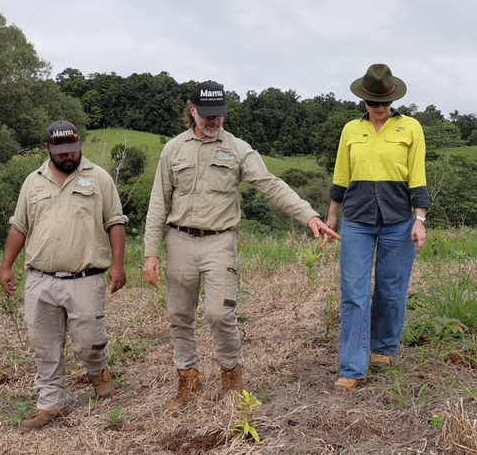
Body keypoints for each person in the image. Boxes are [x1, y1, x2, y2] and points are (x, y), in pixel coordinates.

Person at [142, 80, 340, 412]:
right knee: (179, 315)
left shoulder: (237, 149)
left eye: (219, 115)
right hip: (178, 241)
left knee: (220, 314)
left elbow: (271, 185)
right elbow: (158, 203)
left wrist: (309, 216)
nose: (213, 121)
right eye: (207, 115)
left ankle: (231, 375)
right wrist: (150, 253)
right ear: (192, 112)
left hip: (220, 242)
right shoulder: (173, 149)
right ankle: (187, 376)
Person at [0, 121, 128, 432]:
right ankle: (51, 405)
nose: (68, 156)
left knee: (89, 343)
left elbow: (115, 222)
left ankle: (97, 370)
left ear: (78, 145)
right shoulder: (33, 182)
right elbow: (20, 225)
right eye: (61, 152)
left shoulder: (98, 178)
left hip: (85, 277)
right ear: (48, 149)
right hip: (40, 279)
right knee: (45, 346)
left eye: (72, 150)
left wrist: (118, 264)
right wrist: (6, 266)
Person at [325, 64, 431, 391]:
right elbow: (341, 177)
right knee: (354, 293)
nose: (380, 109)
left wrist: (420, 219)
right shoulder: (350, 131)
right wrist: (331, 217)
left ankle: (382, 347)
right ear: (364, 101)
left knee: (391, 288)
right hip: (357, 219)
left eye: (385, 102)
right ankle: (352, 368)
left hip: (399, 221)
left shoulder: (410, 128)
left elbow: (417, 176)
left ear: (393, 98)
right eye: (374, 104)